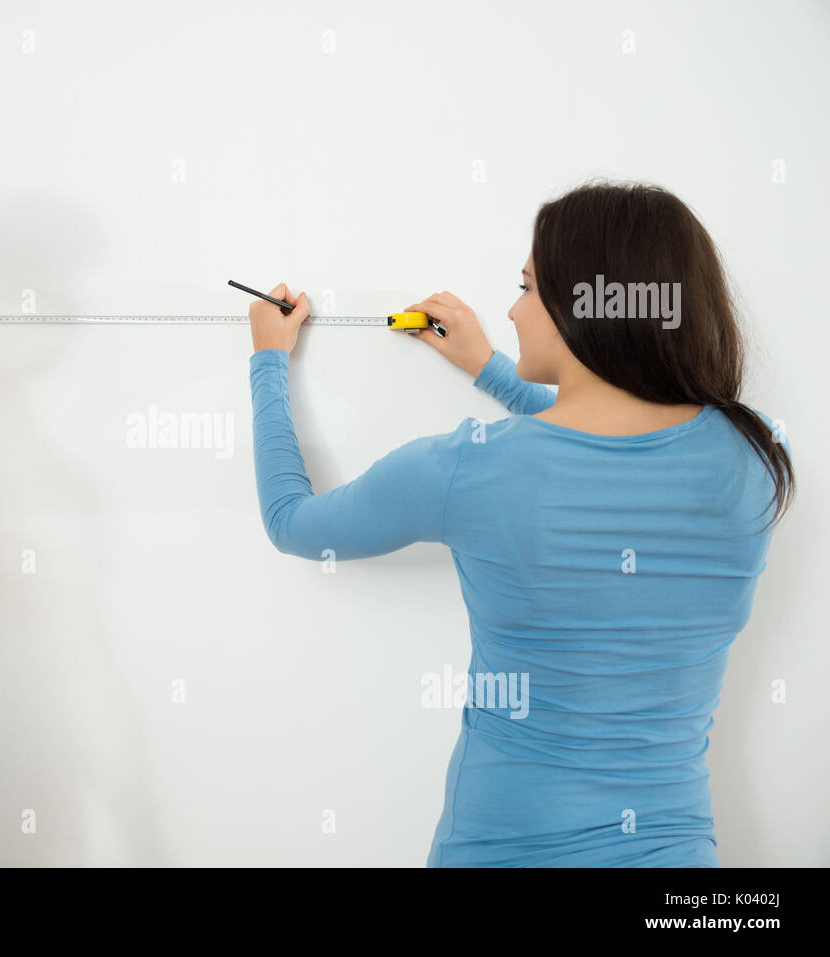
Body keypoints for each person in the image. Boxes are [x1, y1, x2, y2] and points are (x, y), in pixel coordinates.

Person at [246, 181, 794, 866]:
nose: (510, 308)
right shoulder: (758, 455)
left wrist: (267, 359)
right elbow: (619, 447)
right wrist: (492, 369)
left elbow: (291, 521)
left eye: (528, 287)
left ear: (585, 307)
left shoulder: (468, 470)